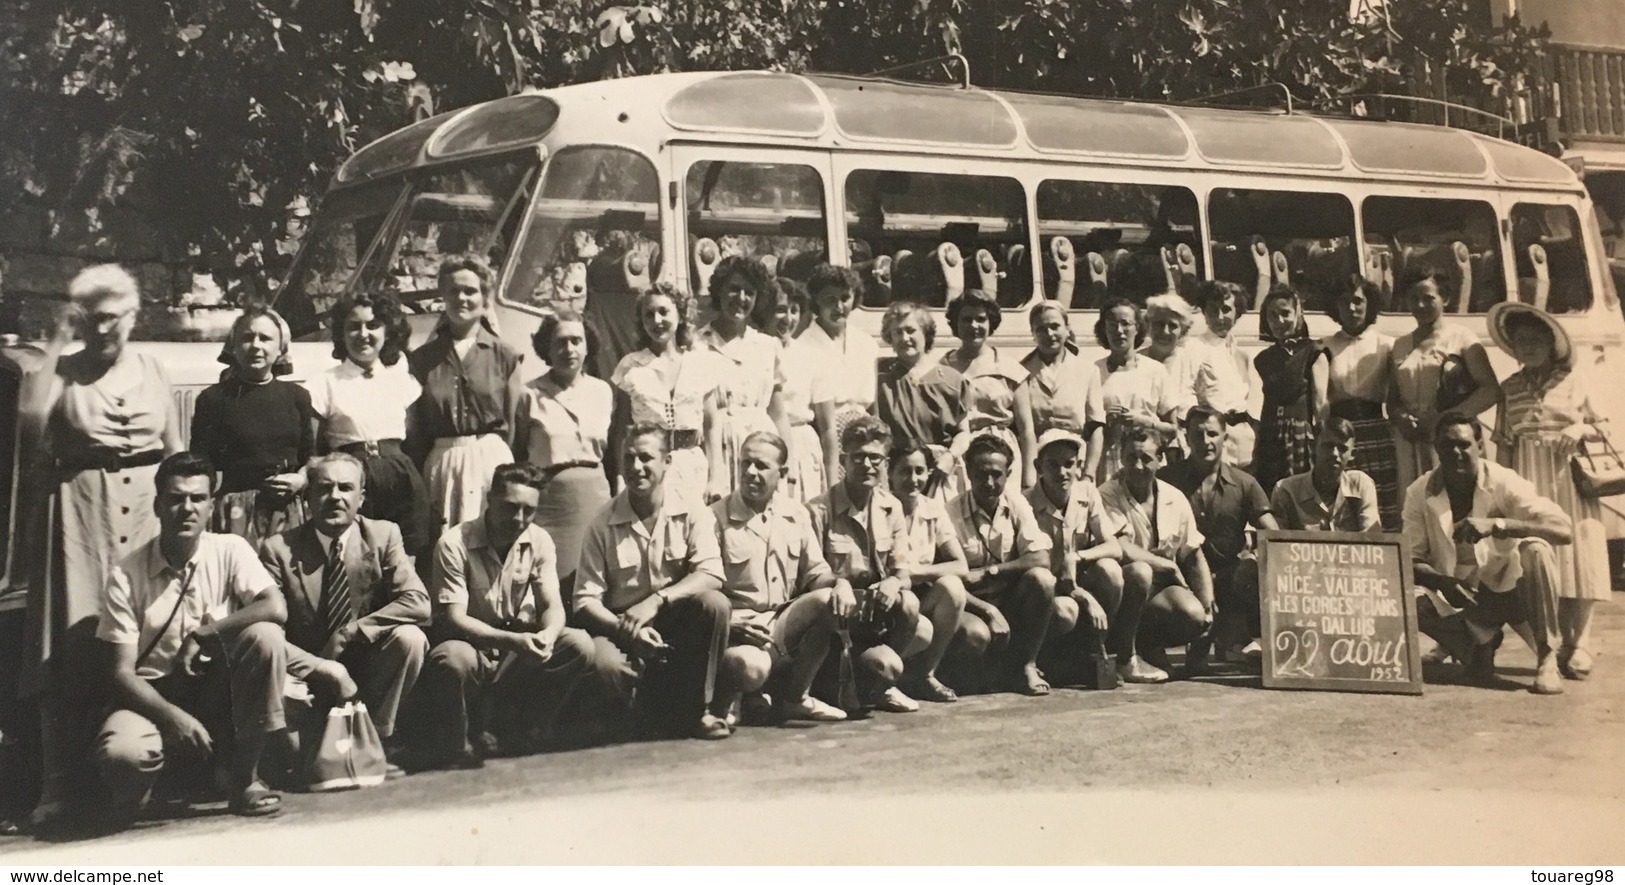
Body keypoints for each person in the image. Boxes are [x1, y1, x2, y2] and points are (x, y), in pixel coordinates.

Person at [18, 264, 183, 827]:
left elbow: (177, 452)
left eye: (112, 317)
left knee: (149, 637)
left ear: (133, 317)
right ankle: (58, 784)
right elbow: (30, 423)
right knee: (68, 645)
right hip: (79, 510)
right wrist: (58, 339)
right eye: (92, 319)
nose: (103, 329)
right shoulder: (61, 370)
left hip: (145, 513)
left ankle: (146, 769)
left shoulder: (153, 368)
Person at [94, 453, 289, 822]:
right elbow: (121, 673)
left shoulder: (229, 549)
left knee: (265, 637)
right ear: (157, 505)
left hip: (217, 690)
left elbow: (274, 607)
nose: (187, 508)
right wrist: (173, 718)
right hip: (154, 696)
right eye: (176, 498)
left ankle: (245, 780)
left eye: (197, 498)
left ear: (211, 505)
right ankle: (162, 783)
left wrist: (204, 632)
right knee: (124, 756)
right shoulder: (127, 573)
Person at [422, 462, 605, 766]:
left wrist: (547, 635)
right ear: (489, 499)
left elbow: (552, 605)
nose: (519, 519)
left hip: (513, 649)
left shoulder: (539, 540)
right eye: (509, 508)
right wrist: (514, 641)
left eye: (528, 510)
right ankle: (458, 741)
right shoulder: (454, 544)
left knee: (579, 644)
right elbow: (454, 617)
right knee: (453, 659)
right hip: (471, 646)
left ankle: (522, 729)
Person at [258, 454, 429, 757]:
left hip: (365, 664)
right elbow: (268, 631)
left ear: (361, 498)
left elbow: (418, 603)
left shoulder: (383, 535)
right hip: (306, 671)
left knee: (411, 639)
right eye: (324, 488)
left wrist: (351, 632)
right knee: (294, 758)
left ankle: (375, 743)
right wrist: (315, 669)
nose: (334, 497)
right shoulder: (279, 549)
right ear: (307, 498)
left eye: (345, 488)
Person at [574, 423, 732, 739]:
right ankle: (639, 712)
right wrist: (628, 631)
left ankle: (700, 709)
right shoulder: (601, 523)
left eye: (646, 458)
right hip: (621, 628)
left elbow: (712, 573)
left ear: (667, 462)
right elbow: (584, 600)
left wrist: (656, 601)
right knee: (606, 667)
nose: (636, 468)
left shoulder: (692, 510)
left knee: (716, 605)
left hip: (674, 622)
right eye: (629, 458)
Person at [1402, 415, 1572, 695]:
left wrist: (1500, 525)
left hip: (1514, 592)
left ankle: (1548, 658)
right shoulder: (1419, 491)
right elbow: (1410, 558)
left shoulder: (1504, 481)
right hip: (1463, 597)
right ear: (1436, 448)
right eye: (1447, 445)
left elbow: (1563, 530)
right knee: (1408, 599)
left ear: (1480, 446)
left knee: (1537, 550)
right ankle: (1479, 644)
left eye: (1464, 444)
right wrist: (1444, 583)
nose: (1455, 453)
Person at [1489, 302, 1612, 681]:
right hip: (1529, 479)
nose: (1527, 346)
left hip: (1570, 479)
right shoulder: (1509, 387)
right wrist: (1502, 491)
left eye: (1535, 339)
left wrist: (1578, 429)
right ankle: (1556, 642)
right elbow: (1504, 443)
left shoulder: (1575, 379)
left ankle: (1582, 643)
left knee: (1580, 557)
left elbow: (1604, 424)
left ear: (1552, 342)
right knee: (1545, 561)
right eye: (1520, 340)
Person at [710, 432, 850, 725]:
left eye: (760, 466)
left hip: (782, 622)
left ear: (782, 473)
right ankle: (735, 693)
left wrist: (841, 584)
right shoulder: (716, 517)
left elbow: (817, 573)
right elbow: (704, 589)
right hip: (739, 628)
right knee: (751, 669)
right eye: (745, 463)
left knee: (827, 599)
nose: (750, 472)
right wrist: (730, 623)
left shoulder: (796, 514)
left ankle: (795, 698)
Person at [807, 417, 928, 713]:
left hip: (872, 618)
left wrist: (893, 582)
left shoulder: (892, 507)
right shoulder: (819, 509)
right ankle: (832, 681)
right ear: (843, 461)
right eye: (857, 457)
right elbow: (808, 576)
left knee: (914, 612)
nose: (867, 465)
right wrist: (839, 583)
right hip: (832, 621)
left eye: (875, 458)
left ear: (885, 463)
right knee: (883, 664)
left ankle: (880, 686)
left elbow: (902, 570)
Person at [309, 289, 433, 561]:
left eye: (373, 325)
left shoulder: (402, 379)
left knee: (404, 559)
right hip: (352, 478)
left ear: (387, 331)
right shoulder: (325, 382)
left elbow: (417, 439)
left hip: (401, 476)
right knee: (358, 557)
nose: (363, 334)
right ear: (341, 333)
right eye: (353, 327)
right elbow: (314, 448)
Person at [407, 256, 524, 539]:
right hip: (443, 463)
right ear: (443, 297)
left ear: (485, 299)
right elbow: (417, 428)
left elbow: (513, 424)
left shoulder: (504, 355)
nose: (461, 298)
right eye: (453, 291)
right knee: (444, 545)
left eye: (470, 291)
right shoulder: (422, 359)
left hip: (490, 460)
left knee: (490, 540)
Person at [946, 434, 1064, 696]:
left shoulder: (1016, 502)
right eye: (980, 474)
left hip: (1009, 598)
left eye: (996, 474)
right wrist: (988, 611)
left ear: (1008, 473)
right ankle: (983, 671)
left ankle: (1026, 665)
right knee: (976, 637)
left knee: (1042, 580)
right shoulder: (949, 512)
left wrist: (992, 571)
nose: (988, 482)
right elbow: (944, 583)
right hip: (971, 603)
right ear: (968, 472)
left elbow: (1041, 557)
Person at [1160, 407, 1278, 666]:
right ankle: (1157, 644)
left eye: (1213, 434)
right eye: (1198, 434)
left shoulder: (1245, 483)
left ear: (1225, 437)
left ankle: (1233, 637)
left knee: (1252, 570)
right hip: (1180, 576)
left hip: (1228, 579)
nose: (1206, 442)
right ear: (1186, 437)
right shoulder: (1166, 479)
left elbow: (1273, 533)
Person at [189, 306, 315, 544]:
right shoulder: (214, 399)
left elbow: (312, 456)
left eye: (265, 338)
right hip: (234, 511)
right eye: (247, 338)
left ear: (280, 349)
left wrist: (300, 479)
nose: (256, 345)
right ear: (234, 347)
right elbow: (201, 463)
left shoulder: (298, 396)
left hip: (290, 509)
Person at [1100, 425, 1215, 682]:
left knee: (1195, 616)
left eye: (1146, 459)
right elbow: (1122, 548)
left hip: (1158, 593)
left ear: (1161, 460)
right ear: (1121, 458)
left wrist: (1208, 605)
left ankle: (1148, 646)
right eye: (1131, 458)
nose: (1138, 466)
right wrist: (1169, 566)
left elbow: (1193, 554)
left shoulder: (1174, 497)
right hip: (1120, 589)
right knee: (1140, 572)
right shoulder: (1107, 494)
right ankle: (1124, 657)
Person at [514, 308, 614, 598]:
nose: (568, 349)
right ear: (546, 347)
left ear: (587, 345)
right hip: (550, 504)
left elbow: (610, 454)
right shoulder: (528, 394)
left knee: (597, 576)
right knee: (552, 580)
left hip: (595, 500)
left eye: (576, 341)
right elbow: (518, 452)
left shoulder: (603, 391)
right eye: (559, 342)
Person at [1023, 430, 1129, 685]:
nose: (1062, 472)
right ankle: (1050, 661)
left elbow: (1114, 546)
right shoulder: (1025, 503)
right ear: (1038, 466)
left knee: (1111, 570)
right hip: (1046, 592)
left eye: (1069, 464)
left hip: (1075, 581)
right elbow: (1043, 569)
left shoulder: (1087, 493)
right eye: (1053, 464)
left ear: (1079, 466)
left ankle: (1094, 653)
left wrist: (1076, 556)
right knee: (1065, 612)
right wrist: (1084, 596)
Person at [611, 284, 726, 507]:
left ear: (681, 315)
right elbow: (621, 430)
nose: (656, 320)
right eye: (649, 314)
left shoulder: (700, 362)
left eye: (664, 312)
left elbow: (712, 424)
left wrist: (716, 477)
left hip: (693, 466)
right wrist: (622, 477)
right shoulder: (630, 367)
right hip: (648, 467)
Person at [1388, 269, 1501, 495]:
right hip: (1410, 440)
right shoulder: (1400, 345)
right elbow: (1392, 399)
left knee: (1456, 498)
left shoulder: (1463, 338)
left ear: (1445, 299)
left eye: (1428, 298)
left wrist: (1445, 420)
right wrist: (1400, 417)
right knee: (1416, 500)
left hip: (1452, 439)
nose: (1419, 305)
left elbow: (1490, 390)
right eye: (1413, 299)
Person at [696, 256, 792, 496]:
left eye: (749, 292)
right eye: (733, 289)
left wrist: (787, 465)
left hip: (763, 448)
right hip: (716, 450)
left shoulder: (767, 346)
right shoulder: (697, 344)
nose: (741, 298)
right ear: (719, 292)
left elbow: (778, 414)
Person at [887, 439, 971, 703]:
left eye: (919, 471)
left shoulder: (933, 508)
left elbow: (961, 566)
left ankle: (925, 674)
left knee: (953, 588)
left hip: (918, 595)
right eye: (904, 471)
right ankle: (885, 677)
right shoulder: (881, 507)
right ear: (889, 473)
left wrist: (916, 572)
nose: (913, 479)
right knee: (920, 628)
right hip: (887, 599)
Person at [1321, 278, 1400, 529]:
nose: (1351, 308)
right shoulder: (1324, 346)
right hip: (1340, 433)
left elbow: (1397, 395)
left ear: (1370, 304)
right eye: (1344, 302)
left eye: (1358, 301)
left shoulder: (1387, 345)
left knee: (1382, 498)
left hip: (1376, 431)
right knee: (1344, 497)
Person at [940, 289, 1034, 490]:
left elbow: (1026, 430)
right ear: (956, 323)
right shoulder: (943, 367)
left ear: (991, 322)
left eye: (981, 319)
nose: (973, 326)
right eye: (966, 319)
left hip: (1000, 453)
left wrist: (1029, 478)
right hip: (958, 453)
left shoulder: (1010, 369)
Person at [876, 302, 969, 499]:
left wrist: (950, 457)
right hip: (896, 475)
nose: (904, 338)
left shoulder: (951, 379)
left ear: (926, 333)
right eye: (897, 333)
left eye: (911, 330)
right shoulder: (881, 377)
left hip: (940, 472)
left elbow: (963, 433)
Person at [799, 264, 880, 483]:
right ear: (816, 301)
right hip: (829, 442)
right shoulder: (805, 346)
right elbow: (823, 424)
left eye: (845, 298)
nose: (839, 306)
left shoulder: (866, 343)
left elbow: (874, 409)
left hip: (869, 440)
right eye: (829, 299)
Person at [1253, 286, 1330, 496]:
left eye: (1285, 313)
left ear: (1297, 314)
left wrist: (1321, 442)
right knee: (1270, 495)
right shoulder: (1263, 359)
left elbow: (1320, 403)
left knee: (1299, 494)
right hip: (1271, 434)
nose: (1279, 321)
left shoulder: (1314, 352)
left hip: (1299, 434)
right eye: (1272, 315)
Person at [753, 278, 825, 501]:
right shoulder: (754, 349)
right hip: (766, 442)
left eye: (794, 311)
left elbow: (825, 420)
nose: (789, 319)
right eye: (781, 310)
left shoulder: (808, 354)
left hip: (804, 444)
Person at [1093, 298, 1179, 484]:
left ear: (1138, 328)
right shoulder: (1093, 372)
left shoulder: (1155, 371)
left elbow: (1173, 429)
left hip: (1147, 461)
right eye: (1112, 325)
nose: (1118, 331)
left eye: (1125, 323)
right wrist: (1104, 423)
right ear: (1103, 329)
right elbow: (1085, 427)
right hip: (1108, 464)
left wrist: (1144, 421)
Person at [1020, 301, 1105, 481]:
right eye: (1041, 329)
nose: (1049, 334)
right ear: (1033, 334)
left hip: (1075, 467)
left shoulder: (1087, 371)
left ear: (1067, 329)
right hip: (1038, 469)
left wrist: (1089, 475)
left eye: (1055, 326)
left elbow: (1096, 427)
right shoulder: (1021, 372)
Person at [1270, 418, 1383, 533]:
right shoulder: (1286, 491)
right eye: (1328, 446)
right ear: (1312, 446)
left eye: (1342, 449)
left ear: (1352, 455)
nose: (1334, 454)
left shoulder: (1360, 485)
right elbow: (1277, 545)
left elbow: (1372, 541)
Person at [1191, 281, 1256, 469]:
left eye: (1226, 310)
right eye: (1212, 310)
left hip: (1243, 438)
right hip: (1213, 438)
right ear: (1204, 312)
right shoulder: (1194, 348)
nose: (1220, 317)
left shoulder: (1241, 355)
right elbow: (1185, 397)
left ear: (1237, 313)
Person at [1140, 293, 1202, 430]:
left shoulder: (1194, 362)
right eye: (1159, 324)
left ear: (1183, 330)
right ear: (1148, 326)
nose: (1165, 331)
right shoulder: (1135, 361)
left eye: (1172, 325)